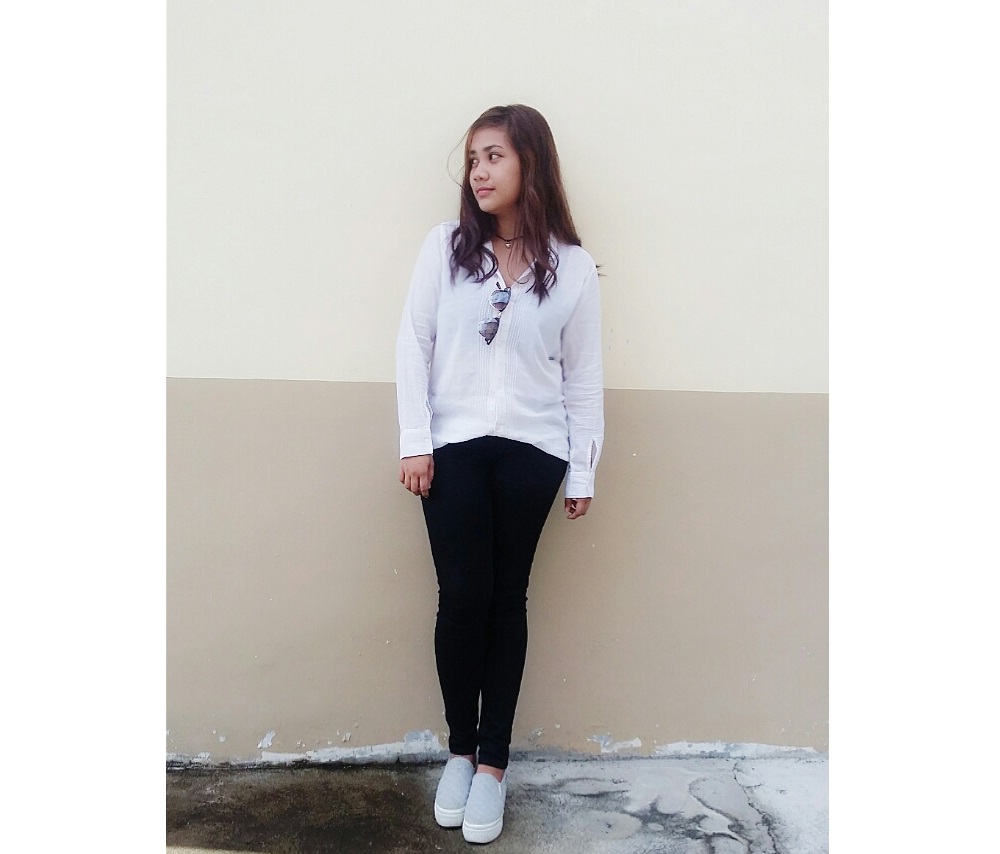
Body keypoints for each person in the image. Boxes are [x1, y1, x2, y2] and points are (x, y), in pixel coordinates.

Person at [395, 104, 604, 844]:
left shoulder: (572, 268)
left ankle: (493, 764)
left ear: (530, 164)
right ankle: (460, 750)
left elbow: (582, 375)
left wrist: (582, 470)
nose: (479, 172)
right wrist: (415, 440)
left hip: (534, 450)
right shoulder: (445, 248)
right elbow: (414, 343)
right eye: (474, 159)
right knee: (462, 599)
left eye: (495, 156)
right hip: (452, 444)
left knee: (506, 599)